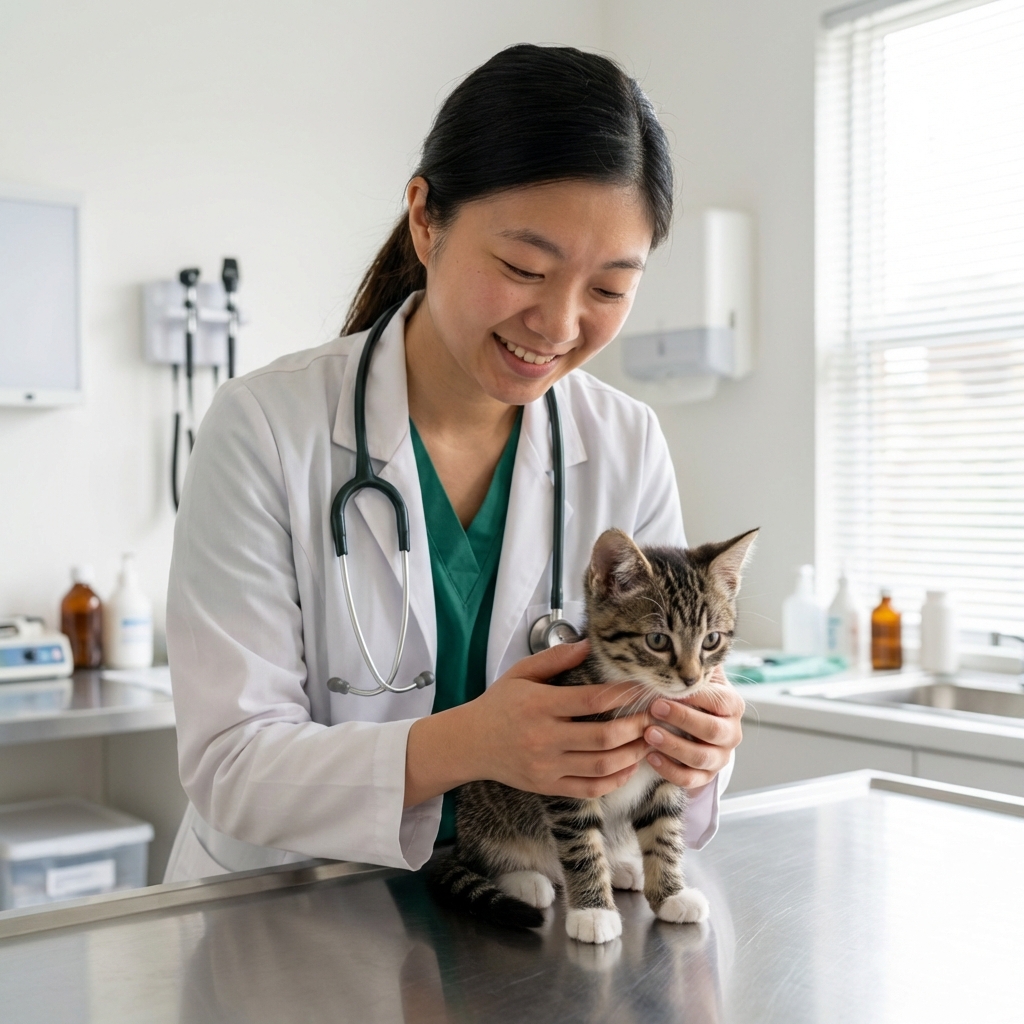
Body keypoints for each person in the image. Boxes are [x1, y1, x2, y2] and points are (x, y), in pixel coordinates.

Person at [163, 43, 745, 882]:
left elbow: (660, 709)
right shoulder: (262, 427)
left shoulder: (624, 441)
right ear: (425, 220)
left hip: (527, 914)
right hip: (296, 919)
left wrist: (701, 744)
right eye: (523, 269)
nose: (558, 323)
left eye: (610, 289)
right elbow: (230, 764)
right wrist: (468, 745)